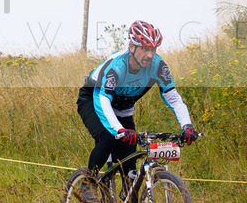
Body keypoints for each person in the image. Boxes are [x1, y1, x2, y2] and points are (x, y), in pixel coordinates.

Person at [76, 20, 199, 185]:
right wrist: (119, 129)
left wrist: (187, 126)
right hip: (93, 99)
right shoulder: (117, 66)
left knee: (130, 170)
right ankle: (88, 183)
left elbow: (173, 98)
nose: (149, 54)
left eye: (153, 49)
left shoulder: (158, 66)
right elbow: (103, 100)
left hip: (123, 109)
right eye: (144, 48)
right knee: (109, 138)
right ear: (132, 47)